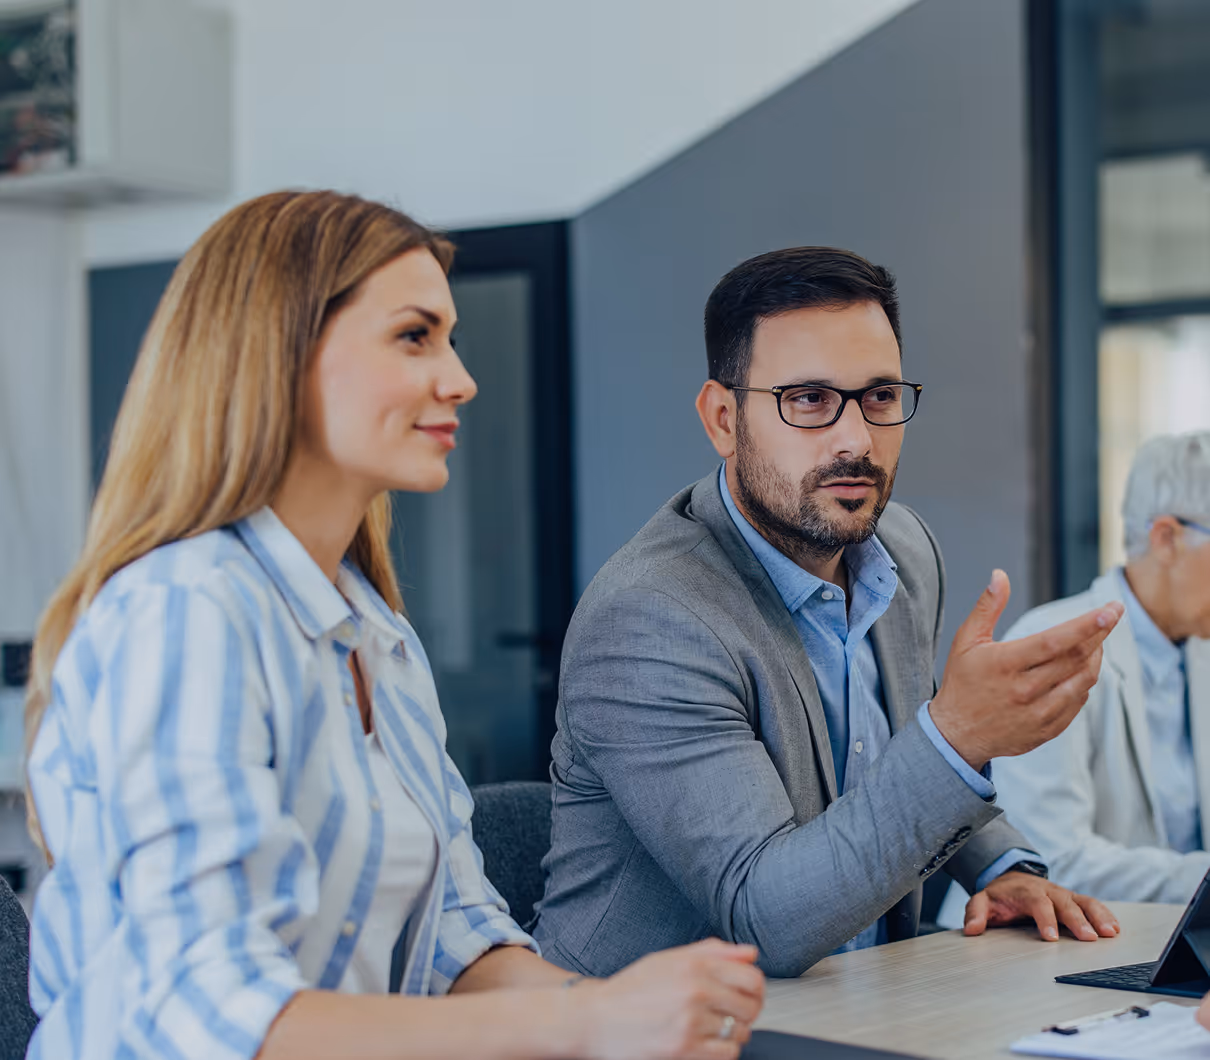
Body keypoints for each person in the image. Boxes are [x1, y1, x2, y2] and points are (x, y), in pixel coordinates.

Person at [22, 191, 764, 1060]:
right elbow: (216, 1013)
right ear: (281, 354)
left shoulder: (376, 635)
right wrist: (585, 1022)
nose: (460, 378)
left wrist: (627, 1015)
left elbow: (456, 937)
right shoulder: (187, 611)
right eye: (415, 336)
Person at [532, 246, 1124, 979]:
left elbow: (893, 765)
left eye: (878, 397)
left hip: (854, 1011)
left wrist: (1001, 865)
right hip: (656, 1034)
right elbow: (766, 918)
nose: (855, 439)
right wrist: (962, 734)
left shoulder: (903, 549)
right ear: (722, 419)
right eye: (808, 399)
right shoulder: (650, 619)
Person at [989, 432, 1210, 904]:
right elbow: (1051, 860)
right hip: (1042, 952)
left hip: (1169, 944)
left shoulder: (1199, 649)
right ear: (1166, 538)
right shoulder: (1053, 643)